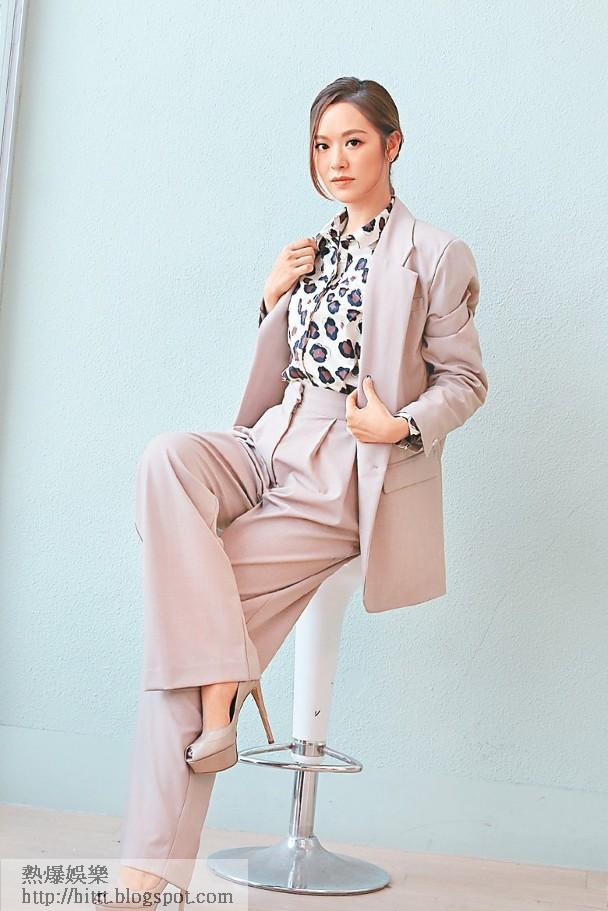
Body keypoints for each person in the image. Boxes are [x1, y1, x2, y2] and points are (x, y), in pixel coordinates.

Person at [95, 76, 488, 908]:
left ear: (392, 145)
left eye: (353, 141)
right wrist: (270, 298)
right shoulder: (310, 248)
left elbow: (465, 380)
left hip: (339, 468)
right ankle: (223, 689)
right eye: (321, 144)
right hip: (269, 436)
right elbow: (291, 360)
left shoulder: (434, 254)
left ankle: (145, 878)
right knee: (166, 458)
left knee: (182, 644)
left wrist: (401, 426)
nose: (335, 159)